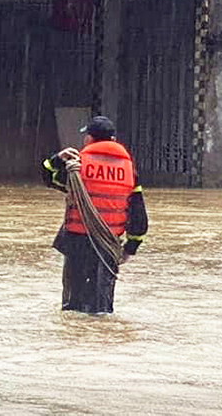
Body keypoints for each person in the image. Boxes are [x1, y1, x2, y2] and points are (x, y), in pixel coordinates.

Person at [42, 116, 148, 314]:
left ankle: (75, 338)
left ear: (89, 139)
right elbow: (139, 216)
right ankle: (101, 339)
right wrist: (130, 248)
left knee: (73, 307)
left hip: (77, 242)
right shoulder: (129, 171)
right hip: (108, 245)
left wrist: (57, 159)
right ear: (114, 141)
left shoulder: (77, 166)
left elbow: (48, 177)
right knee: (102, 308)